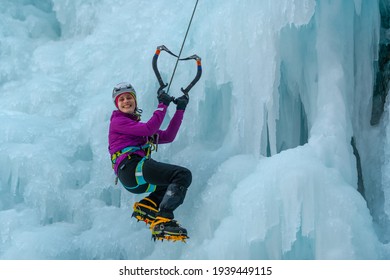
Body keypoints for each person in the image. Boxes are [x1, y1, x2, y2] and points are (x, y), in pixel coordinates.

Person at [108, 82, 192, 240]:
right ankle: (164, 217)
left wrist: (180, 109)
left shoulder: (135, 127)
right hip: (131, 167)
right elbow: (149, 129)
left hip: (134, 178)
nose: (126, 101)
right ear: (117, 105)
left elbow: (168, 136)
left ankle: (147, 206)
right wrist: (162, 105)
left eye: (129, 98)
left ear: (135, 101)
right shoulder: (118, 122)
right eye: (122, 99)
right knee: (182, 175)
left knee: (169, 182)